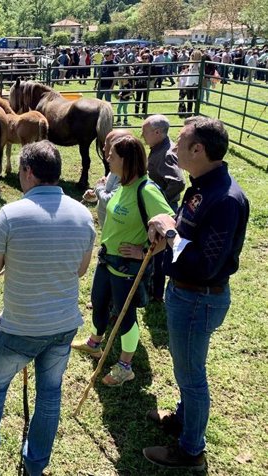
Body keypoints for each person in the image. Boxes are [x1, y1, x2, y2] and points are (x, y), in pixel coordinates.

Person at [0, 141, 95, 475]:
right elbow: (80, 269)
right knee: (50, 395)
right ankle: (35, 465)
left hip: (19, 326)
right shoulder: (83, 215)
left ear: (28, 172)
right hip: (62, 326)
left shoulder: (11, 214)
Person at [143, 117, 249, 470]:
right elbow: (187, 225)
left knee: (192, 375)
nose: (172, 149)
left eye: (180, 143)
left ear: (198, 149)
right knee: (186, 368)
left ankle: (191, 450)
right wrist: (168, 223)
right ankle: (183, 418)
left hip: (198, 296)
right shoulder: (201, 185)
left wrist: (169, 233)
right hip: (185, 292)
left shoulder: (226, 199)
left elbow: (205, 263)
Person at [72, 135, 174, 386]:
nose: (108, 158)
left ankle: (125, 366)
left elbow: (171, 225)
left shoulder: (146, 190)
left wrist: (144, 252)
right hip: (107, 259)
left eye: (112, 155)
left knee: (124, 315)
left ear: (126, 160)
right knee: (98, 301)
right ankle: (95, 342)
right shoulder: (122, 185)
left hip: (126, 267)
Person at [141, 115, 185, 302]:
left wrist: (161, 202)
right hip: (161, 206)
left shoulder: (166, 154)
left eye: (145, 133)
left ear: (157, 133)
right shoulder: (158, 148)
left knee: (158, 253)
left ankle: (156, 293)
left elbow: (178, 182)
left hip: (164, 208)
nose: (143, 136)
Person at [82, 129, 132, 227]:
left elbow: (110, 200)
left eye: (106, 144)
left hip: (116, 231)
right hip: (108, 228)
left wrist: (99, 187)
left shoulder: (125, 175)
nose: (104, 148)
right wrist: (95, 194)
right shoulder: (115, 169)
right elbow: (108, 193)